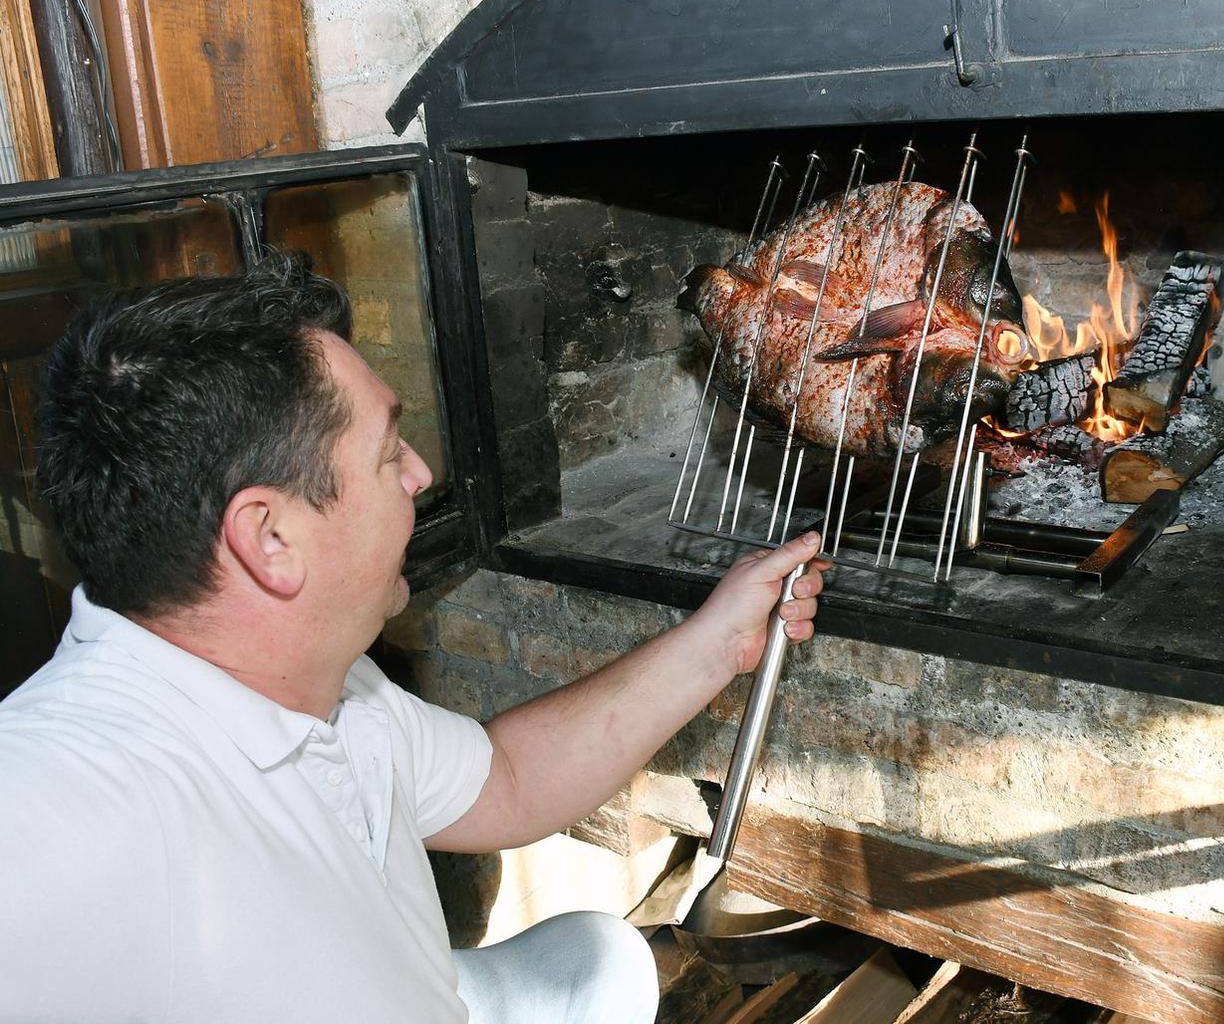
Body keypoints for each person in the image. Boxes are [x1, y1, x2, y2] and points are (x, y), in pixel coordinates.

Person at [0, 252, 827, 1023]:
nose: (421, 473)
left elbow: (505, 781)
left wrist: (718, 641)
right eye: (386, 451)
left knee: (602, 954)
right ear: (271, 539)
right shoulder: (66, 799)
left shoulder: (322, 684)